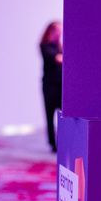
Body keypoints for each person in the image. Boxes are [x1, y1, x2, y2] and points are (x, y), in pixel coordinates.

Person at [40, 20, 63, 152]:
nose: (59, 33)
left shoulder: (60, 47)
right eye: (57, 30)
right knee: (49, 116)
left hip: (60, 86)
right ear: (50, 31)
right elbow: (57, 59)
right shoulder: (44, 46)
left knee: (62, 115)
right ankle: (52, 143)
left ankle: (62, 141)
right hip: (49, 86)